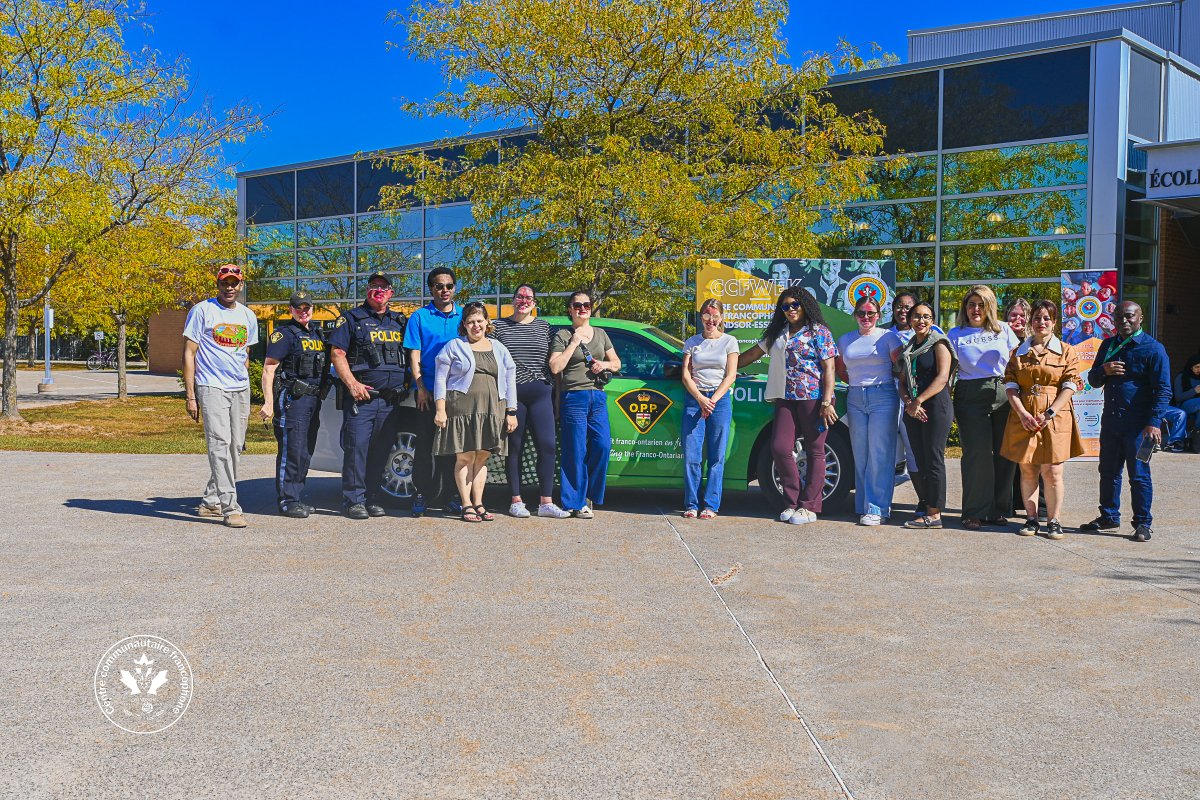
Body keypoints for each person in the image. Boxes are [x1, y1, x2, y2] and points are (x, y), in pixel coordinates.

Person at [738, 288, 838, 525]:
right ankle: (792, 501)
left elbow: (830, 368)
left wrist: (826, 400)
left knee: (815, 450)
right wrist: (724, 367)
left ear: (805, 305)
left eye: (795, 305)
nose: (791, 309)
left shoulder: (819, 332)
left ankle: (809, 506)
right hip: (785, 397)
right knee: (780, 447)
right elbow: (751, 354)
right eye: (785, 306)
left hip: (813, 398)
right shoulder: (778, 333)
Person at [1081, 301, 1172, 542]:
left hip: (1140, 428)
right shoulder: (1108, 345)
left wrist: (1154, 422)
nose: (1124, 321)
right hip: (1111, 423)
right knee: (1108, 472)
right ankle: (1109, 516)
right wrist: (1104, 370)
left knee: (1139, 474)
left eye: (1129, 316)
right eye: (1119, 317)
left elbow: (1163, 390)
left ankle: (1143, 523)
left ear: (1140, 318)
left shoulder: (1153, 349)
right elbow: (1093, 379)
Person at [1000, 300, 1084, 540]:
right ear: (1030, 321)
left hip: (1055, 416)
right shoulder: (1019, 352)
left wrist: (1049, 413)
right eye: (1037, 318)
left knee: (1053, 471)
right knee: (1028, 469)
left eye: (1046, 318)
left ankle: (1054, 520)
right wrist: (1022, 413)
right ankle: (1031, 518)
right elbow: (1010, 385)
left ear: (1054, 322)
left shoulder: (1067, 351)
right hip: (1024, 414)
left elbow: (1070, 385)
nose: (1041, 323)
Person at [182, 264, 259, 529]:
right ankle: (230, 506)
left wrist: (244, 380)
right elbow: (189, 354)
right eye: (225, 283)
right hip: (211, 386)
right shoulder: (202, 311)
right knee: (219, 443)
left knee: (235, 446)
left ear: (240, 285)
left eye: (234, 283)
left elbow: (245, 355)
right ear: (218, 284)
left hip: (240, 388)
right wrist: (191, 395)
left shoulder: (248, 316)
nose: (229, 287)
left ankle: (210, 500)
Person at [329, 272, 409, 520]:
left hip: (390, 400)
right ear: (367, 290)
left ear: (391, 293)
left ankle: (372, 497)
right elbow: (337, 353)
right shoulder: (352, 319)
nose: (379, 290)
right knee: (357, 450)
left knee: (381, 450)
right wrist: (352, 384)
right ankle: (353, 500)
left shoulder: (400, 322)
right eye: (374, 286)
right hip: (362, 399)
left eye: (384, 287)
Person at [433, 302, 518, 522]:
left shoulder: (498, 347)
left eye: (479, 321)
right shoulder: (454, 346)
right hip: (462, 408)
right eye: (471, 322)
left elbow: (510, 378)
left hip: (492, 409)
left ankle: (479, 503)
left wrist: (511, 410)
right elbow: (440, 378)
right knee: (465, 457)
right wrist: (440, 409)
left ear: (487, 322)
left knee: (481, 458)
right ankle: (466, 504)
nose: (476, 325)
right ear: (464, 325)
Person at [492, 285, 571, 519]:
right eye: (519, 296)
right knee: (514, 448)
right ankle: (516, 500)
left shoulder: (545, 328)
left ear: (534, 303)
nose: (523, 300)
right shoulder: (498, 327)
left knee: (547, 446)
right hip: (512, 397)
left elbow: (555, 367)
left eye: (528, 298)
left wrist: (556, 401)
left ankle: (546, 502)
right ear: (513, 300)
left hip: (541, 394)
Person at [948, 285, 1020, 530]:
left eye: (981, 304)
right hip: (970, 394)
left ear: (990, 306)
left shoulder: (1005, 330)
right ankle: (973, 511)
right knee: (976, 454)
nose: (975, 309)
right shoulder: (955, 333)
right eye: (971, 304)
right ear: (965, 307)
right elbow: (949, 371)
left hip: (1002, 391)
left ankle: (998, 509)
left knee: (1004, 454)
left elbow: (1016, 363)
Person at [548, 290, 621, 519]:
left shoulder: (600, 334)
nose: (582, 308)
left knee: (602, 445)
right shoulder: (562, 335)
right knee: (575, 450)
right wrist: (574, 342)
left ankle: (587, 495)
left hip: (597, 396)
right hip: (574, 397)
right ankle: (573, 503)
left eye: (586, 304)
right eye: (577, 305)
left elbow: (617, 363)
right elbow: (555, 367)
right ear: (570, 309)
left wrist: (604, 365)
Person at [260, 291, 328, 518]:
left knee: (306, 450)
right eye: (299, 307)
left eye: (307, 307)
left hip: (313, 400)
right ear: (291, 310)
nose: (304, 311)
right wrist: (269, 403)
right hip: (293, 400)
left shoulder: (317, 333)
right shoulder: (284, 335)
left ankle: (297, 496)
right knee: (292, 451)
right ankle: (287, 500)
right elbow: (269, 369)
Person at [836, 297, 901, 525]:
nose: (866, 318)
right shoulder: (846, 340)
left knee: (879, 454)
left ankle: (878, 508)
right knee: (861, 453)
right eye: (862, 313)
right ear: (855, 315)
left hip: (883, 396)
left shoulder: (888, 337)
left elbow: (900, 367)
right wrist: (856, 383)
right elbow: (841, 369)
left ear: (878, 316)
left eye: (871, 314)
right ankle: (863, 505)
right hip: (855, 396)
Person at [404, 267, 463, 516]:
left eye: (449, 286)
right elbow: (414, 354)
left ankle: (450, 495)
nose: (445, 290)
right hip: (428, 393)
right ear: (431, 289)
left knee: (453, 448)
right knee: (426, 447)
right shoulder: (419, 317)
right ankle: (421, 493)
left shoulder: (464, 315)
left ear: (454, 288)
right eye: (439, 286)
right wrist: (420, 388)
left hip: (458, 394)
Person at [896, 302, 955, 529]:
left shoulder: (938, 344)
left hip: (935, 406)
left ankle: (935, 514)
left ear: (932, 321)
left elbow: (942, 378)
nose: (921, 321)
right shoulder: (908, 349)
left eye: (926, 317)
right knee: (920, 460)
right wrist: (909, 402)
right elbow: (902, 382)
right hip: (913, 408)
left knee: (933, 459)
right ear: (910, 319)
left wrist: (919, 401)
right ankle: (926, 505)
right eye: (917, 316)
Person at [680, 299, 740, 519]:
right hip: (694, 399)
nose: (710, 320)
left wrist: (712, 400)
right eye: (706, 315)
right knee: (692, 455)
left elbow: (731, 375)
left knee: (716, 455)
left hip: (720, 400)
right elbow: (685, 374)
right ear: (701, 317)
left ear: (721, 317)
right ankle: (691, 504)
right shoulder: (692, 342)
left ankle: (711, 505)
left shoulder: (730, 342)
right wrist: (699, 398)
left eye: (715, 316)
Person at [1168, 351, 1200, 452]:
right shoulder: (1182, 377)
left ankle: (1197, 435)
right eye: (1197, 367)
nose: (1199, 370)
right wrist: (1194, 391)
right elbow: (1178, 397)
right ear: (1191, 367)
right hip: (1183, 405)